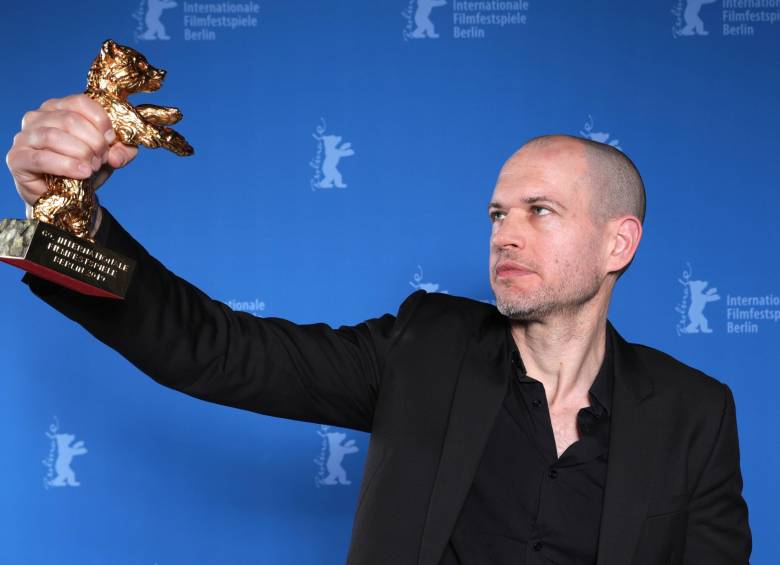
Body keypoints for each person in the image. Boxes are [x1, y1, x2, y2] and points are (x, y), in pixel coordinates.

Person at [6, 93, 751, 564]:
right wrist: (73, 220)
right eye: (497, 214)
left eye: (540, 211)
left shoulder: (695, 412)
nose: (504, 234)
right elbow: (212, 348)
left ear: (618, 243)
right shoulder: (423, 347)